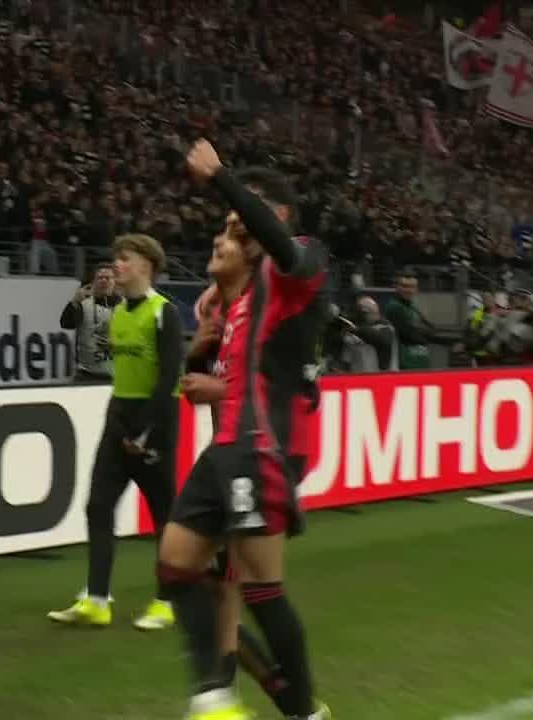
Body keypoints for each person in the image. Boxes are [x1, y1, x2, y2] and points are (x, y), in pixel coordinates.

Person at [158, 140, 330, 720]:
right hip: (227, 447)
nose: (231, 223)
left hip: (262, 446)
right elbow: (236, 369)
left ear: (275, 214)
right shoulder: (241, 298)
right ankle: (222, 692)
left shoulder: (302, 259)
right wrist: (205, 353)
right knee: (180, 566)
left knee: (254, 586)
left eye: (242, 212)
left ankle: (289, 706)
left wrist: (220, 176)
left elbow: (284, 253)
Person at [184, 234, 303, 718]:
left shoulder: (266, 313)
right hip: (221, 461)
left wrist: (222, 390)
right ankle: (285, 696)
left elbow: (275, 385)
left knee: (238, 587)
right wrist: (196, 353)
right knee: (207, 584)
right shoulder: (214, 313)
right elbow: (194, 384)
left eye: (231, 237)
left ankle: (234, 696)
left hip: (253, 463)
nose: (218, 242)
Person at [48, 234, 183, 631]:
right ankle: (97, 599)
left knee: (163, 514)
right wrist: (121, 425)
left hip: (155, 422)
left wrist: (145, 432)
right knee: (98, 505)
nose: (116, 265)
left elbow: (168, 379)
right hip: (119, 415)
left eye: (124, 259)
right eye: (116, 258)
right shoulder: (119, 314)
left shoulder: (164, 313)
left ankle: (166, 601)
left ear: (145, 265)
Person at [61, 264, 120, 382]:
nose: (104, 281)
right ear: (93, 282)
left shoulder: (124, 306)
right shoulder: (83, 304)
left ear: (115, 281)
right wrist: (74, 302)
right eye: (100, 278)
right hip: (87, 375)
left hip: (117, 375)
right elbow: (66, 323)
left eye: (108, 278)